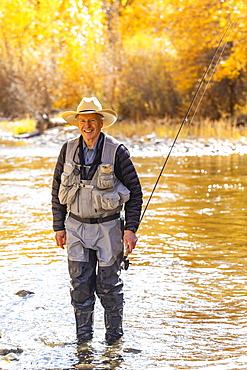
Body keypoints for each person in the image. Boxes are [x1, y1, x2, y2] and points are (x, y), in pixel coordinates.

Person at [51, 97, 142, 345]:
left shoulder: (117, 151)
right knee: (79, 286)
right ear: (77, 124)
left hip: (109, 228)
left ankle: (114, 342)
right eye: (83, 121)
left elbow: (135, 192)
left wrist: (131, 229)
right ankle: (83, 342)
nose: (87, 125)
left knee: (109, 287)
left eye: (92, 120)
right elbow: (56, 188)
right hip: (76, 228)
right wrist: (58, 226)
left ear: (101, 123)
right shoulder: (67, 149)